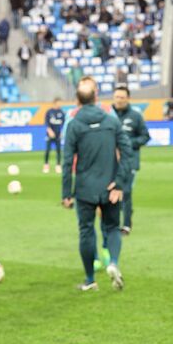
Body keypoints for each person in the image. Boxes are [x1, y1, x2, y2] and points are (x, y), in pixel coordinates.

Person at [61, 76, 133, 292]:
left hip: (85, 189)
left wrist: (66, 193)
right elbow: (127, 152)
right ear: (96, 96)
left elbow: (66, 162)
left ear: (77, 100)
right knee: (111, 228)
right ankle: (113, 263)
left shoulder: (73, 125)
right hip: (110, 187)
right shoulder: (111, 121)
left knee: (86, 231)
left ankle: (90, 280)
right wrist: (119, 183)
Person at [108, 85, 149, 235]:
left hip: (129, 160)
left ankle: (126, 225)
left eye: (122, 97)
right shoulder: (108, 115)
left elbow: (145, 136)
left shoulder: (135, 116)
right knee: (111, 193)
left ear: (128, 98)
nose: (119, 100)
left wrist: (129, 144)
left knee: (126, 192)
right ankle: (112, 223)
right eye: (116, 97)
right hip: (110, 161)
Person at [44, 97, 65, 173]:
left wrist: (62, 132)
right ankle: (46, 165)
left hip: (58, 134)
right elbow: (46, 123)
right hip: (50, 134)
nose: (60, 104)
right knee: (47, 150)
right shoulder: (49, 112)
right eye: (59, 102)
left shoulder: (62, 112)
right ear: (55, 102)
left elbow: (63, 124)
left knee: (59, 150)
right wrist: (50, 131)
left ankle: (58, 165)